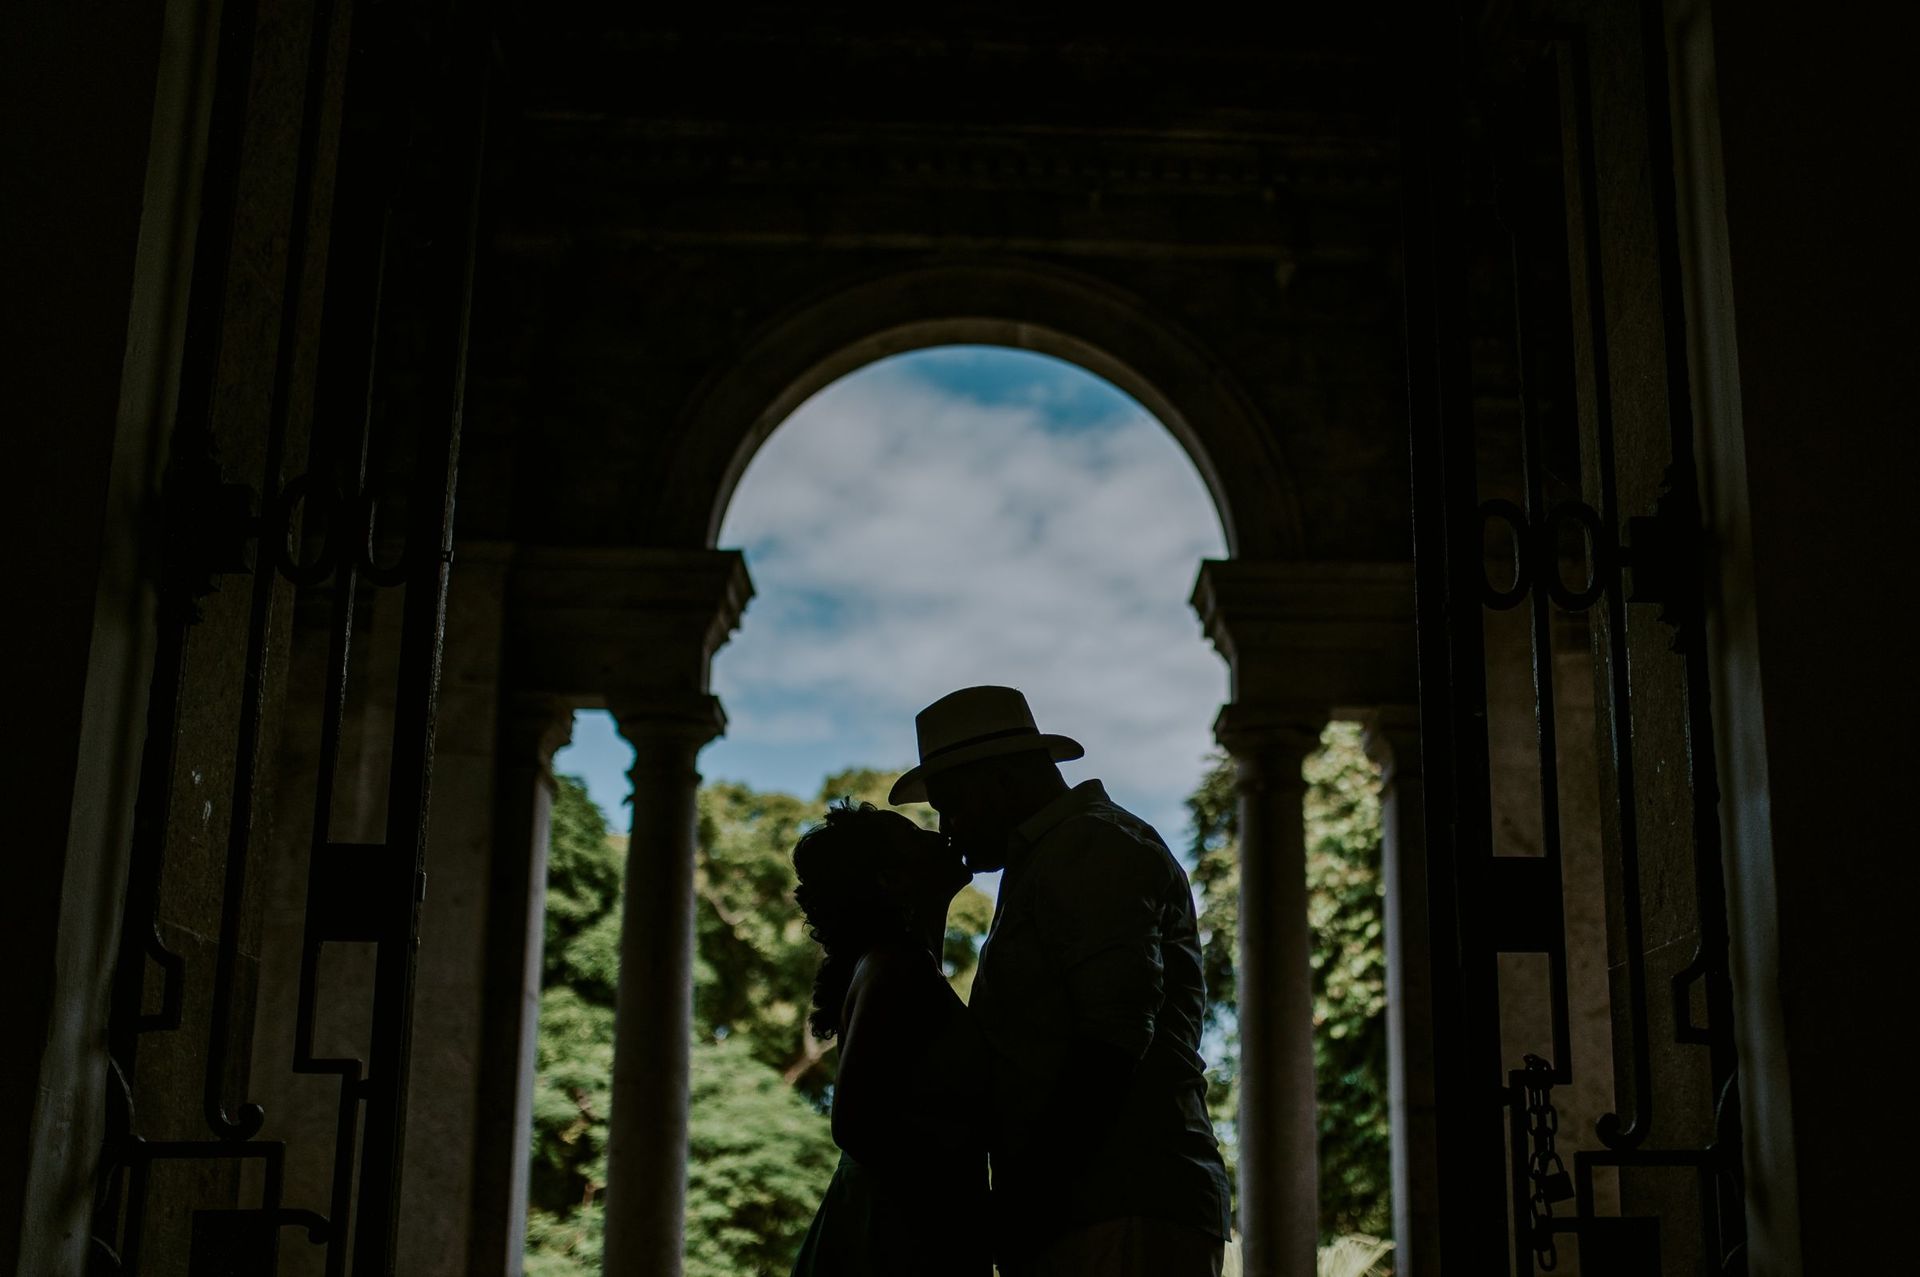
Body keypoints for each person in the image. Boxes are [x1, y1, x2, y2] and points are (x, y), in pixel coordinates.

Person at [890, 685, 1231, 1277]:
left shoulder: (1089, 847)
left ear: (1000, 781)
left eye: (951, 803)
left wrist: (1029, 1192)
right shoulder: (1054, 858)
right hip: (1093, 1205)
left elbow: (1115, 1037)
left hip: (1117, 1202)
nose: (947, 828)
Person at [788, 802, 993, 1277]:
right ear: (890, 879)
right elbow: (854, 1125)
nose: (940, 836)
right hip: (894, 1235)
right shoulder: (894, 967)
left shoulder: (902, 962)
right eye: (916, 835)